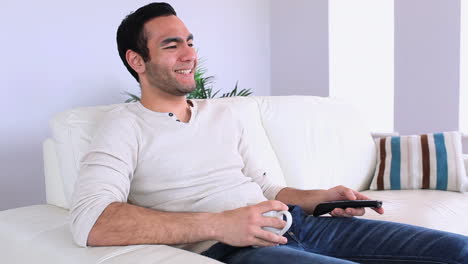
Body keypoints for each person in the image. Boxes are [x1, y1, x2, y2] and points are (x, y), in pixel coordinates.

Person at [70, 2, 468, 263]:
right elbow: (91, 221)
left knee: (458, 250)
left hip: (302, 223)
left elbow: (270, 189)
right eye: (172, 46)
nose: (190, 55)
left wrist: (321, 198)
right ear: (137, 60)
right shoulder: (123, 125)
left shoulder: (223, 114)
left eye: (190, 42)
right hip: (236, 247)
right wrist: (218, 224)